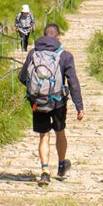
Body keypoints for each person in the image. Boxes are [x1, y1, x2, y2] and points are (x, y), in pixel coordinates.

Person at [18, 23, 84, 185]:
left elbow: (22, 77)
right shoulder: (65, 55)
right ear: (58, 37)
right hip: (58, 102)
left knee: (43, 136)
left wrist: (36, 90)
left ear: (43, 35)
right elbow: (73, 82)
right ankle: (61, 165)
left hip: (38, 102)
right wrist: (79, 106)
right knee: (60, 132)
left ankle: (45, 171)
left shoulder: (33, 53)